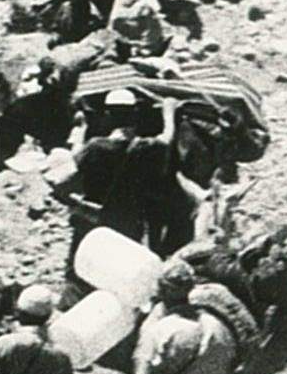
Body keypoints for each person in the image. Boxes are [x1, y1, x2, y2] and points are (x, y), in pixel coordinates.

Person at [56, 95, 193, 258]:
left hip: (93, 222)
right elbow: (167, 139)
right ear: (135, 114)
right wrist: (168, 112)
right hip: (128, 225)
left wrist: (82, 128)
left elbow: (68, 170)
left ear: (107, 115)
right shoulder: (146, 147)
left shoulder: (94, 147)